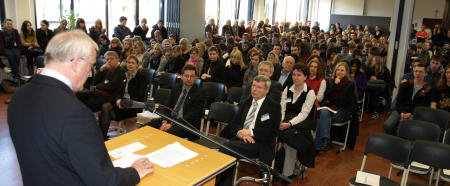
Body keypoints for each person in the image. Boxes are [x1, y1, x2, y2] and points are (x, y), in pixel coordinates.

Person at [8, 29, 152, 185]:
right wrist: (134, 172)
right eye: (90, 65)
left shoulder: (19, 96)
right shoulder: (74, 113)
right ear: (76, 62)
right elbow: (104, 180)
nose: (90, 73)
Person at [217, 75, 281, 186]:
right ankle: (225, 183)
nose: (254, 89)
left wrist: (251, 132)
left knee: (226, 148)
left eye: (259, 87)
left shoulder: (273, 107)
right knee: (227, 149)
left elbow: (272, 131)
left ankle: (223, 183)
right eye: (253, 86)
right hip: (241, 140)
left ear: (267, 90)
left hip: (260, 143)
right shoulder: (245, 102)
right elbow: (234, 124)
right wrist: (241, 134)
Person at [278, 63, 316, 178]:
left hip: (302, 123)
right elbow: (282, 108)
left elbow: (304, 114)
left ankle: (286, 174)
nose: (295, 77)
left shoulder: (310, 93)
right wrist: (281, 121)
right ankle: (279, 169)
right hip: (286, 121)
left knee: (291, 140)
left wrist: (289, 124)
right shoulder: (287, 90)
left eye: (299, 75)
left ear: (305, 77)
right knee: (274, 132)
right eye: (294, 74)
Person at [147, 64, 205, 140]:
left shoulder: (199, 93)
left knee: (165, 136)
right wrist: (164, 121)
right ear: (181, 76)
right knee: (147, 127)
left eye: (192, 76)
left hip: (186, 124)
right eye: (186, 76)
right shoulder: (176, 88)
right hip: (170, 119)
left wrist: (171, 124)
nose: (189, 79)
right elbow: (167, 108)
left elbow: (190, 116)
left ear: (196, 77)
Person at [99, 55, 149, 139]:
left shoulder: (141, 78)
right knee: (104, 107)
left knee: (105, 111)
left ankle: (102, 137)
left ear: (137, 65)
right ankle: (102, 137)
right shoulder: (124, 75)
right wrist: (118, 99)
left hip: (133, 105)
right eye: (128, 62)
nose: (130, 65)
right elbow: (118, 91)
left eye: (133, 63)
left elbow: (140, 97)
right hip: (121, 103)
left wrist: (124, 102)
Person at [314, 62, 356, 151]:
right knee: (324, 112)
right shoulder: (331, 82)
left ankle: (318, 145)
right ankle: (324, 141)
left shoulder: (350, 85)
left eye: (342, 70)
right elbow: (327, 98)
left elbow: (344, 102)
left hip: (342, 112)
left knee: (323, 118)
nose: (339, 72)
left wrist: (333, 99)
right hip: (330, 110)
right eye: (338, 69)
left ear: (346, 72)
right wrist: (335, 85)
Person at [383, 63, 431, 135]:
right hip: (401, 110)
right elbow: (399, 101)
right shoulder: (405, 85)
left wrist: (410, 114)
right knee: (387, 126)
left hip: (415, 113)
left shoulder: (428, 89)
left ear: (425, 74)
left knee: (404, 128)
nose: (418, 73)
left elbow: (423, 106)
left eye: (421, 72)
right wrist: (402, 112)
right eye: (416, 71)